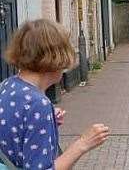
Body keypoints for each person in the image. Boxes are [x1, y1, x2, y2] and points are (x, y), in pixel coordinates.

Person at [0, 20, 109, 169]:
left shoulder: (8, 85)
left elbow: (13, 130)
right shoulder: (37, 104)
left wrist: (46, 120)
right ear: (56, 57)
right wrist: (82, 143)